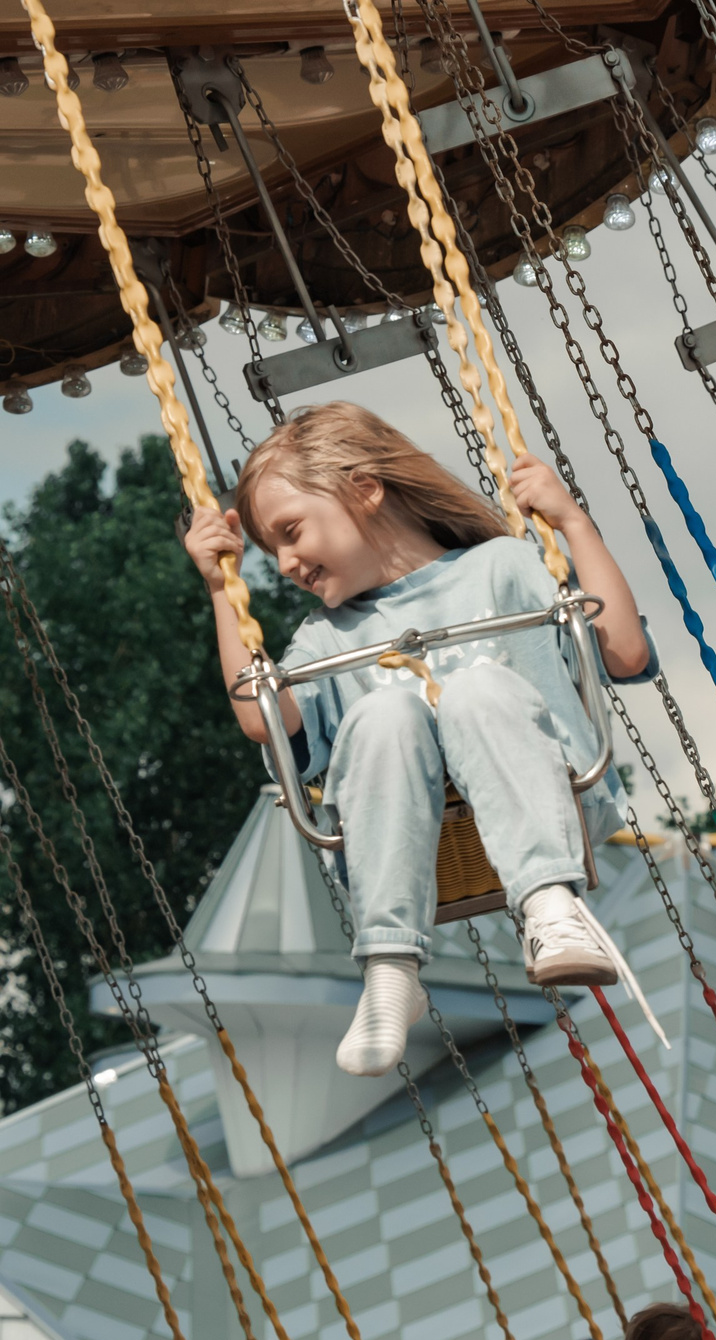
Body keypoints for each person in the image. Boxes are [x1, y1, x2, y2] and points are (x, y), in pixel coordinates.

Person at [184, 402, 659, 1078]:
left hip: (548, 793)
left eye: (291, 532)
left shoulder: (503, 567)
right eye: (273, 550)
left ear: (365, 489)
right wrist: (221, 592)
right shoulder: (327, 640)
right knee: (384, 714)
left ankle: (552, 904)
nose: (286, 562)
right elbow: (263, 718)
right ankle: (389, 969)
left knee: (476, 689)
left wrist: (572, 522)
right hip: (412, 830)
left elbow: (625, 653)